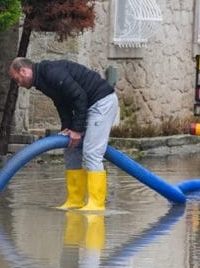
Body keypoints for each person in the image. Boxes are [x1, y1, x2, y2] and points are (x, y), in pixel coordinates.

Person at [8, 57, 119, 211]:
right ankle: (75, 200)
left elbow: (79, 96)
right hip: (86, 106)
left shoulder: (51, 73)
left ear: (23, 71)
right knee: (70, 148)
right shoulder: (41, 80)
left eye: (17, 79)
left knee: (92, 153)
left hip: (101, 103)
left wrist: (77, 130)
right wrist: (67, 127)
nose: (18, 84)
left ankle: (96, 204)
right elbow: (61, 102)